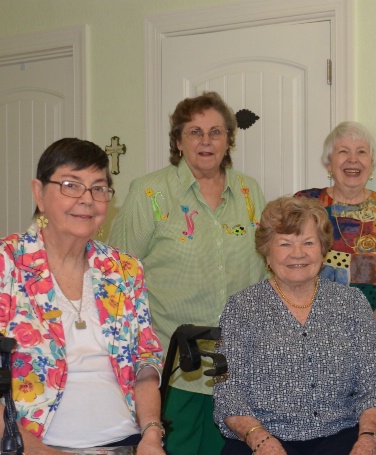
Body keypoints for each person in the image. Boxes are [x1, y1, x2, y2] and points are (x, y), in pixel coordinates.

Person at [109, 91, 268, 454]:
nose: (206, 141)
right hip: (172, 368)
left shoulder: (249, 191)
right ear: (178, 141)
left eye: (216, 131)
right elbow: (117, 279)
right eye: (194, 132)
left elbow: (265, 273)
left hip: (237, 368)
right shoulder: (149, 192)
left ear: (229, 139)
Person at [0, 138, 164, 453]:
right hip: (34, 446)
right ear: (39, 193)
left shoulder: (125, 269)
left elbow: (145, 360)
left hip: (126, 442)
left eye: (99, 188)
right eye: (71, 185)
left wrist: (152, 435)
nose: (87, 200)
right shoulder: (8, 263)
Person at [213, 196, 376, 455]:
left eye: (308, 242)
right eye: (285, 244)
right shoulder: (241, 308)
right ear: (267, 253)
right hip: (263, 437)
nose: (298, 254)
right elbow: (228, 393)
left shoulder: (352, 303)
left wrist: (368, 438)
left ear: (323, 249)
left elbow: (374, 385)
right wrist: (260, 440)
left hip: (342, 435)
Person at [295, 121, 376, 372]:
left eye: (361, 152)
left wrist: (369, 324)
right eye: (343, 151)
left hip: (374, 340)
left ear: (371, 164)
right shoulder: (305, 204)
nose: (353, 160)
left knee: (371, 411)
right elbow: (285, 265)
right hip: (308, 339)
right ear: (329, 163)